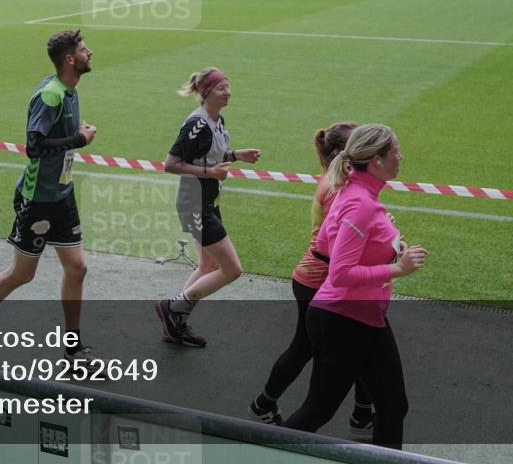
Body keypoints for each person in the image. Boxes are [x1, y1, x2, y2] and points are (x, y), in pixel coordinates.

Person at [283, 124, 427, 449]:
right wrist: (397, 267)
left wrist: (388, 245)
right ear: (376, 161)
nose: (400, 157)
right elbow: (340, 273)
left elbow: (324, 242)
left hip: (365, 317)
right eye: (395, 152)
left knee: (393, 406)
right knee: (317, 411)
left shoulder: (357, 197)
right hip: (342, 321)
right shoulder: (360, 204)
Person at [0, 30, 97, 363]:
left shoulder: (69, 90)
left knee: (77, 268)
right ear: (69, 59)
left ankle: (73, 348)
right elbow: (33, 147)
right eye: (83, 49)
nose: (89, 52)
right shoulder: (51, 95)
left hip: (62, 194)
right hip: (37, 199)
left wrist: (74, 137)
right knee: (23, 274)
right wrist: (78, 140)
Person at [249, 122, 376, 436]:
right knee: (326, 346)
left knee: (349, 343)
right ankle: (266, 407)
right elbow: (340, 247)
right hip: (320, 280)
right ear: (341, 154)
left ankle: (360, 413)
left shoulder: (340, 181)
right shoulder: (339, 189)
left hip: (314, 277)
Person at [155, 67, 261, 347]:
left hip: (207, 202)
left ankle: (175, 322)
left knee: (208, 265)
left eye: (228, 86)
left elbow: (211, 157)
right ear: (206, 93)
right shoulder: (197, 124)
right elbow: (171, 164)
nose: (228, 91)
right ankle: (172, 308)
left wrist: (236, 155)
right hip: (195, 205)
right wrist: (209, 172)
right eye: (221, 88)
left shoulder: (216, 120)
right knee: (232, 269)